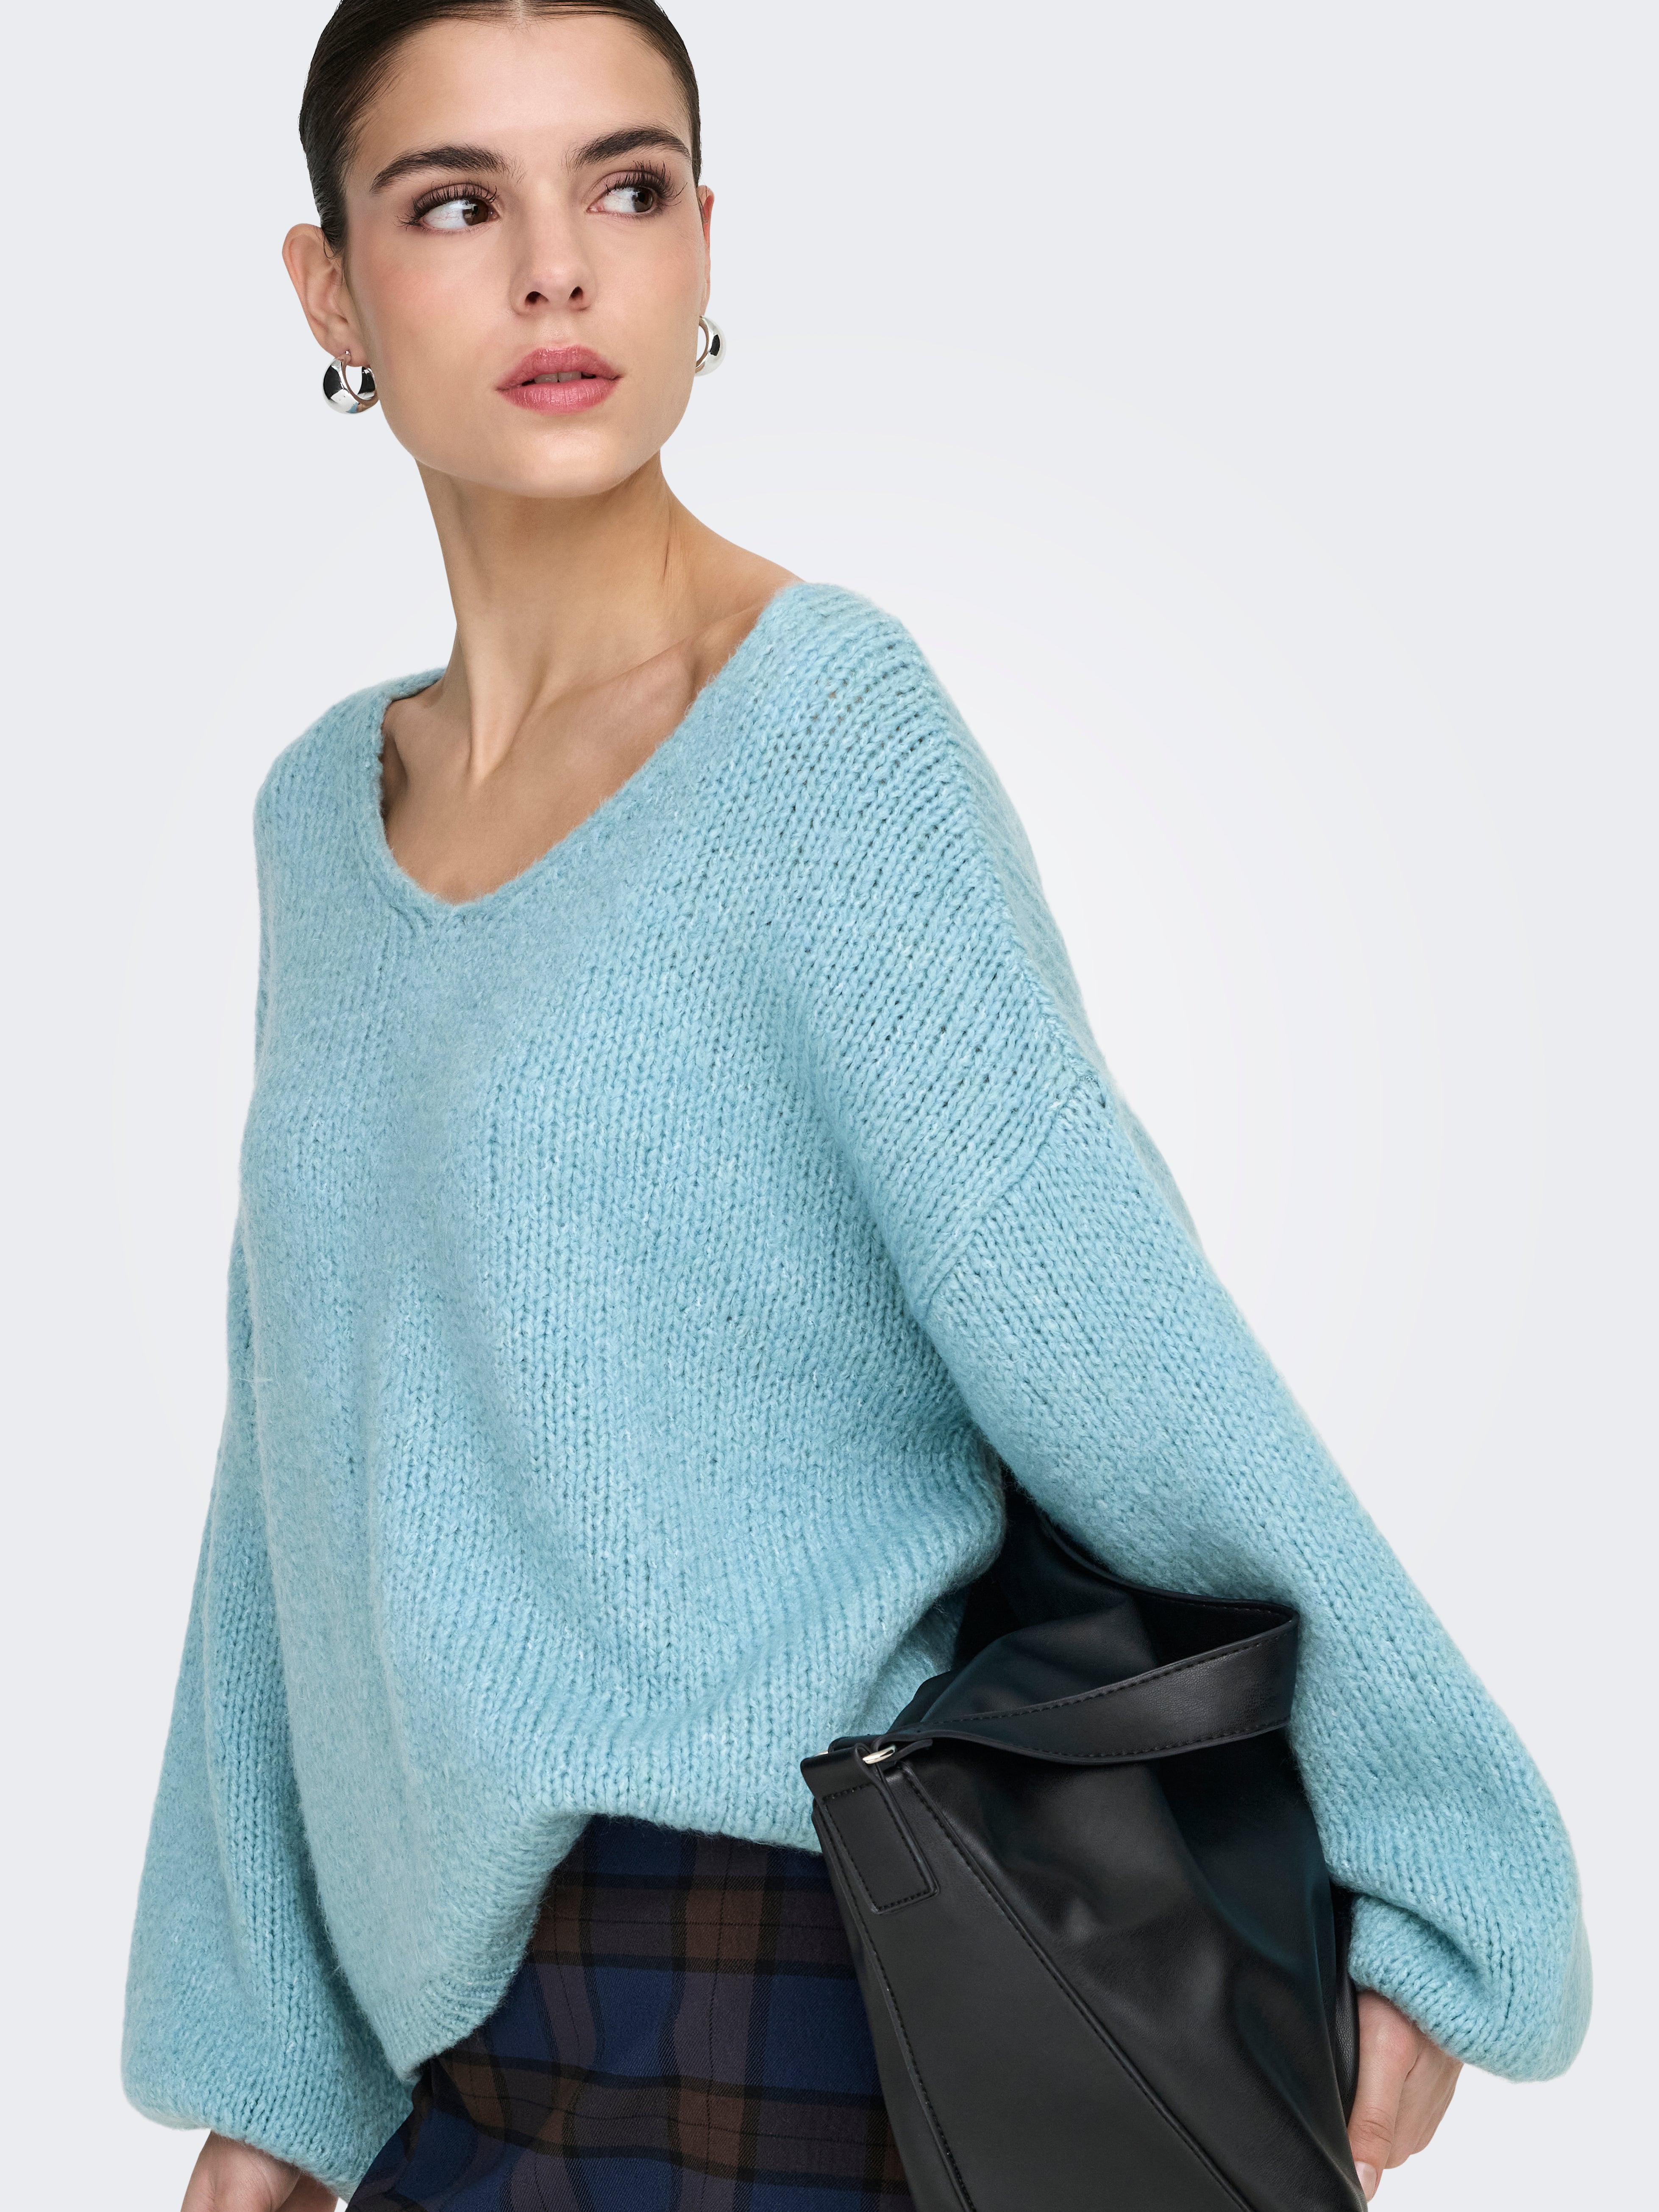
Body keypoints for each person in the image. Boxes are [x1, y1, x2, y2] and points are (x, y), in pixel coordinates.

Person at [120, 5, 1591, 2207]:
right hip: (468, 2044)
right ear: (331, 290)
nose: (558, 267)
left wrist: (1443, 1853)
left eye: (626, 187)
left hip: (796, 1975)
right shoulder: (321, 820)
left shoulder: (819, 733)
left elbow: (1113, 1334)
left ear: (705, 242)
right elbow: (299, 1465)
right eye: (457, 203)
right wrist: (274, 2062)